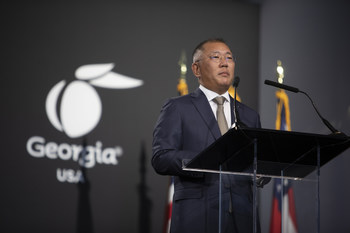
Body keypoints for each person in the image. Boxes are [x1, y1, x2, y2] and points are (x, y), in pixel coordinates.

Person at [152, 38, 261, 233]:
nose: (224, 63)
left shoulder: (249, 115)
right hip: (197, 217)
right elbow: (161, 157)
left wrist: (261, 172)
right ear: (196, 69)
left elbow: (257, 162)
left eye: (229, 57)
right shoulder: (178, 108)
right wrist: (204, 160)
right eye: (215, 57)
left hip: (243, 218)